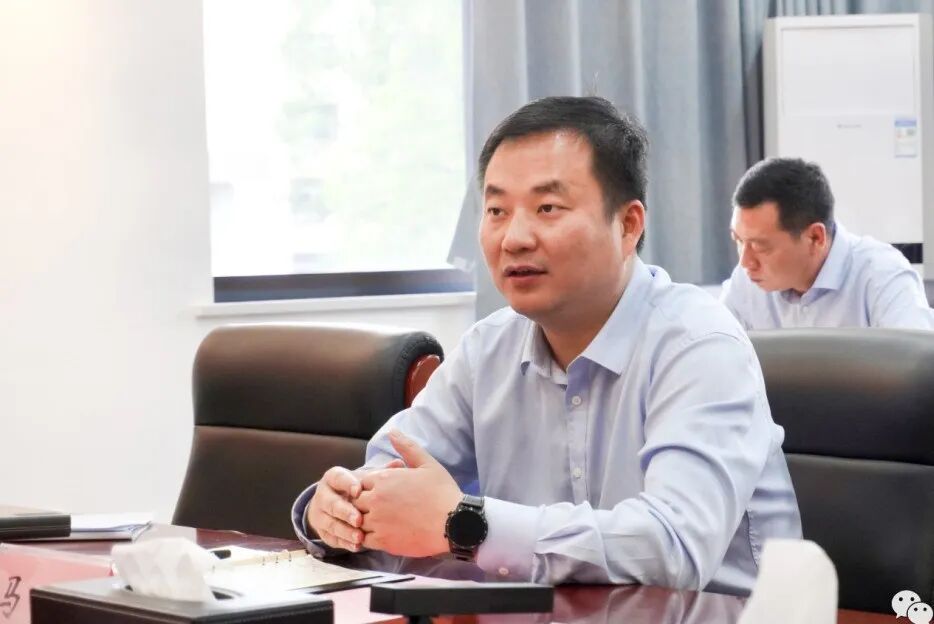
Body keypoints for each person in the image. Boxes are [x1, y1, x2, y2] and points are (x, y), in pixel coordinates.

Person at [291, 96, 801, 596]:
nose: (514, 237)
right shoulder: (487, 349)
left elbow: (673, 548)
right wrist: (335, 513)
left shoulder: (700, 345)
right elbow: (392, 484)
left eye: (547, 208)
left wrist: (466, 524)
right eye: (496, 210)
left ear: (628, 225)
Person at [721, 157, 934, 330]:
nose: (746, 262)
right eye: (739, 241)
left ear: (816, 237)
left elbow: (915, 364)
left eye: (761, 246)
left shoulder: (881, 274)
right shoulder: (746, 282)